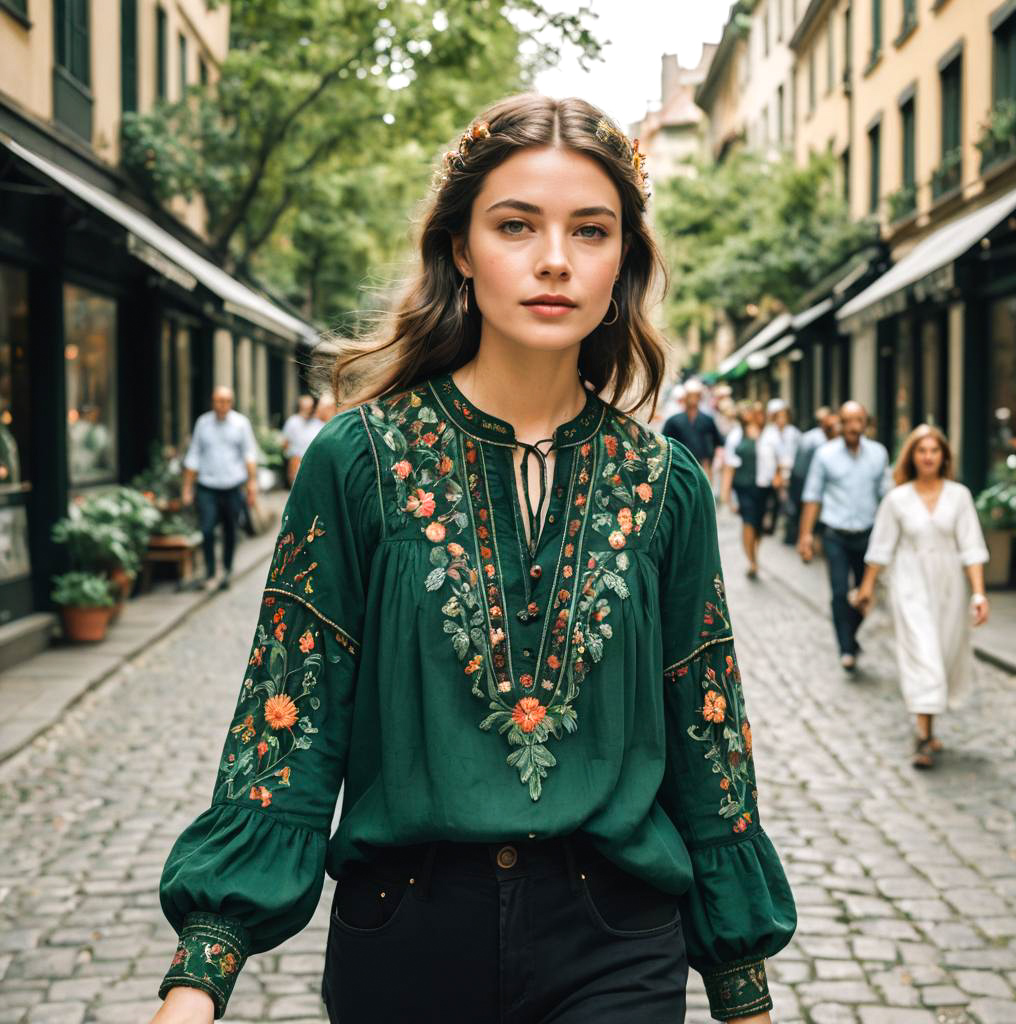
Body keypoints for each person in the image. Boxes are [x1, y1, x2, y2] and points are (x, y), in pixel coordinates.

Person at [152, 95, 795, 1024]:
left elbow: (708, 732)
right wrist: (201, 972)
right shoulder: (358, 459)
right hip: (405, 933)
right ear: (461, 248)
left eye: (591, 230)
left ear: (623, 262)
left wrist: (742, 989)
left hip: (615, 938)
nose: (554, 260)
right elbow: (288, 718)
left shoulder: (668, 484)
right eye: (515, 225)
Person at [854, 426, 989, 768]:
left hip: (949, 588)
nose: (928, 456)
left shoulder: (959, 496)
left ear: (944, 456)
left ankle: (928, 724)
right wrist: (867, 587)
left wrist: (979, 593)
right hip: (909, 584)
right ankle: (924, 736)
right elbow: (880, 548)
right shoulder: (897, 499)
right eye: (921, 450)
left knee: (942, 654)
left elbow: (972, 548)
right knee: (922, 653)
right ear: (912, 456)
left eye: (934, 450)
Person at [798, 401, 889, 672]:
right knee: (839, 592)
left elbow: (886, 496)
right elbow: (812, 496)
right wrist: (805, 536)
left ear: (866, 423)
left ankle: (849, 632)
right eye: (848, 421)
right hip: (835, 534)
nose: (853, 426)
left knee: (865, 594)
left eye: (858, 420)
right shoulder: (825, 455)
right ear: (840, 423)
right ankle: (846, 648)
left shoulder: (878, 454)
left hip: (867, 535)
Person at [181, 386, 259, 592]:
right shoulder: (203, 423)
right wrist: (187, 487)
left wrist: (252, 484)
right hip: (207, 486)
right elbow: (194, 455)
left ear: (231, 402)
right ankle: (209, 572)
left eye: (225, 401)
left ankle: (226, 569)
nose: (221, 405)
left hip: (232, 486)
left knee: (231, 530)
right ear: (212, 402)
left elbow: (249, 454)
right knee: (206, 530)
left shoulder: (241, 424)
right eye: (218, 401)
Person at [720, 402, 776, 578]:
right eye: (755, 412)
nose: (758, 416)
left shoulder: (769, 435)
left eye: (761, 413)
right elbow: (729, 466)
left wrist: (779, 475)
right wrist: (726, 495)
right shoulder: (737, 436)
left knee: (759, 526)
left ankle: (755, 554)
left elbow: (780, 457)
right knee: (749, 523)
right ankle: (752, 562)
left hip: (764, 488)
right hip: (744, 488)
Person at [784, 405, 832, 545]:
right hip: (804, 478)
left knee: (800, 510)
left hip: (799, 477)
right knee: (806, 509)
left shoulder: (808, 436)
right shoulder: (817, 439)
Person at [661, 378, 724, 476]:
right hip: (680, 469)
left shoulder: (707, 420)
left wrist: (717, 460)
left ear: (700, 397)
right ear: (685, 396)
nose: (693, 399)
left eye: (696, 395)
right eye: (690, 395)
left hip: (703, 468)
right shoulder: (673, 421)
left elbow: (718, 442)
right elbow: (664, 445)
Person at [761, 400, 800, 536]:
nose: (782, 420)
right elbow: (767, 457)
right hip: (776, 473)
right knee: (778, 500)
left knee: (789, 501)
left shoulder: (793, 432)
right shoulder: (769, 433)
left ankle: (790, 529)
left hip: (791, 472)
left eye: (784, 417)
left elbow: (796, 451)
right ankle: (776, 525)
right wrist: (775, 473)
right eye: (779, 417)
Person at [281, 394, 320, 485]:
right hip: (296, 462)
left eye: (309, 407)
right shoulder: (292, 421)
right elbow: (285, 443)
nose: (307, 410)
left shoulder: (318, 423)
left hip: (314, 464)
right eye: (304, 407)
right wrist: (292, 458)